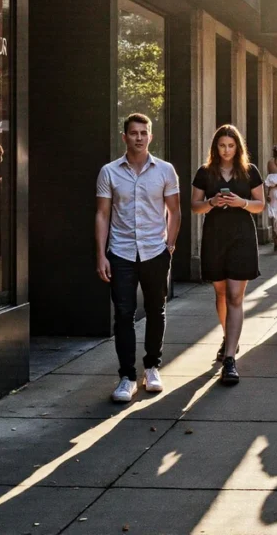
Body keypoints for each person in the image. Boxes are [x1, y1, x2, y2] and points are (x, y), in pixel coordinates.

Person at [95, 113, 181, 404]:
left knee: (157, 310)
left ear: (151, 137)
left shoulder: (166, 171)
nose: (139, 137)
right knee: (123, 315)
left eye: (144, 132)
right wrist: (101, 254)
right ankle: (127, 377)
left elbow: (175, 210)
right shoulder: (109, 172)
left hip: (155, 251)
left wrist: (169, 244)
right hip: (120, 252)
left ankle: (153, 367)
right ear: (125, 137)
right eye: (134, 133)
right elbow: (102, 214)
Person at [192, 124, 265, 386]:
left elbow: (260, 205)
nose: (226, 150)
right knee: (221, 293)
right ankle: (228, 337)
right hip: (215, 238)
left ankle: (230, 359)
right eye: (222, 145)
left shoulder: (249, 171)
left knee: (236, 296)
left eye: (231, 146)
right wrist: (212, 203)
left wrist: (241, 202)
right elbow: (195, 206)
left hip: (242, 238)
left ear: (238, 147)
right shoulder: (205, 172)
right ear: (215, 147)